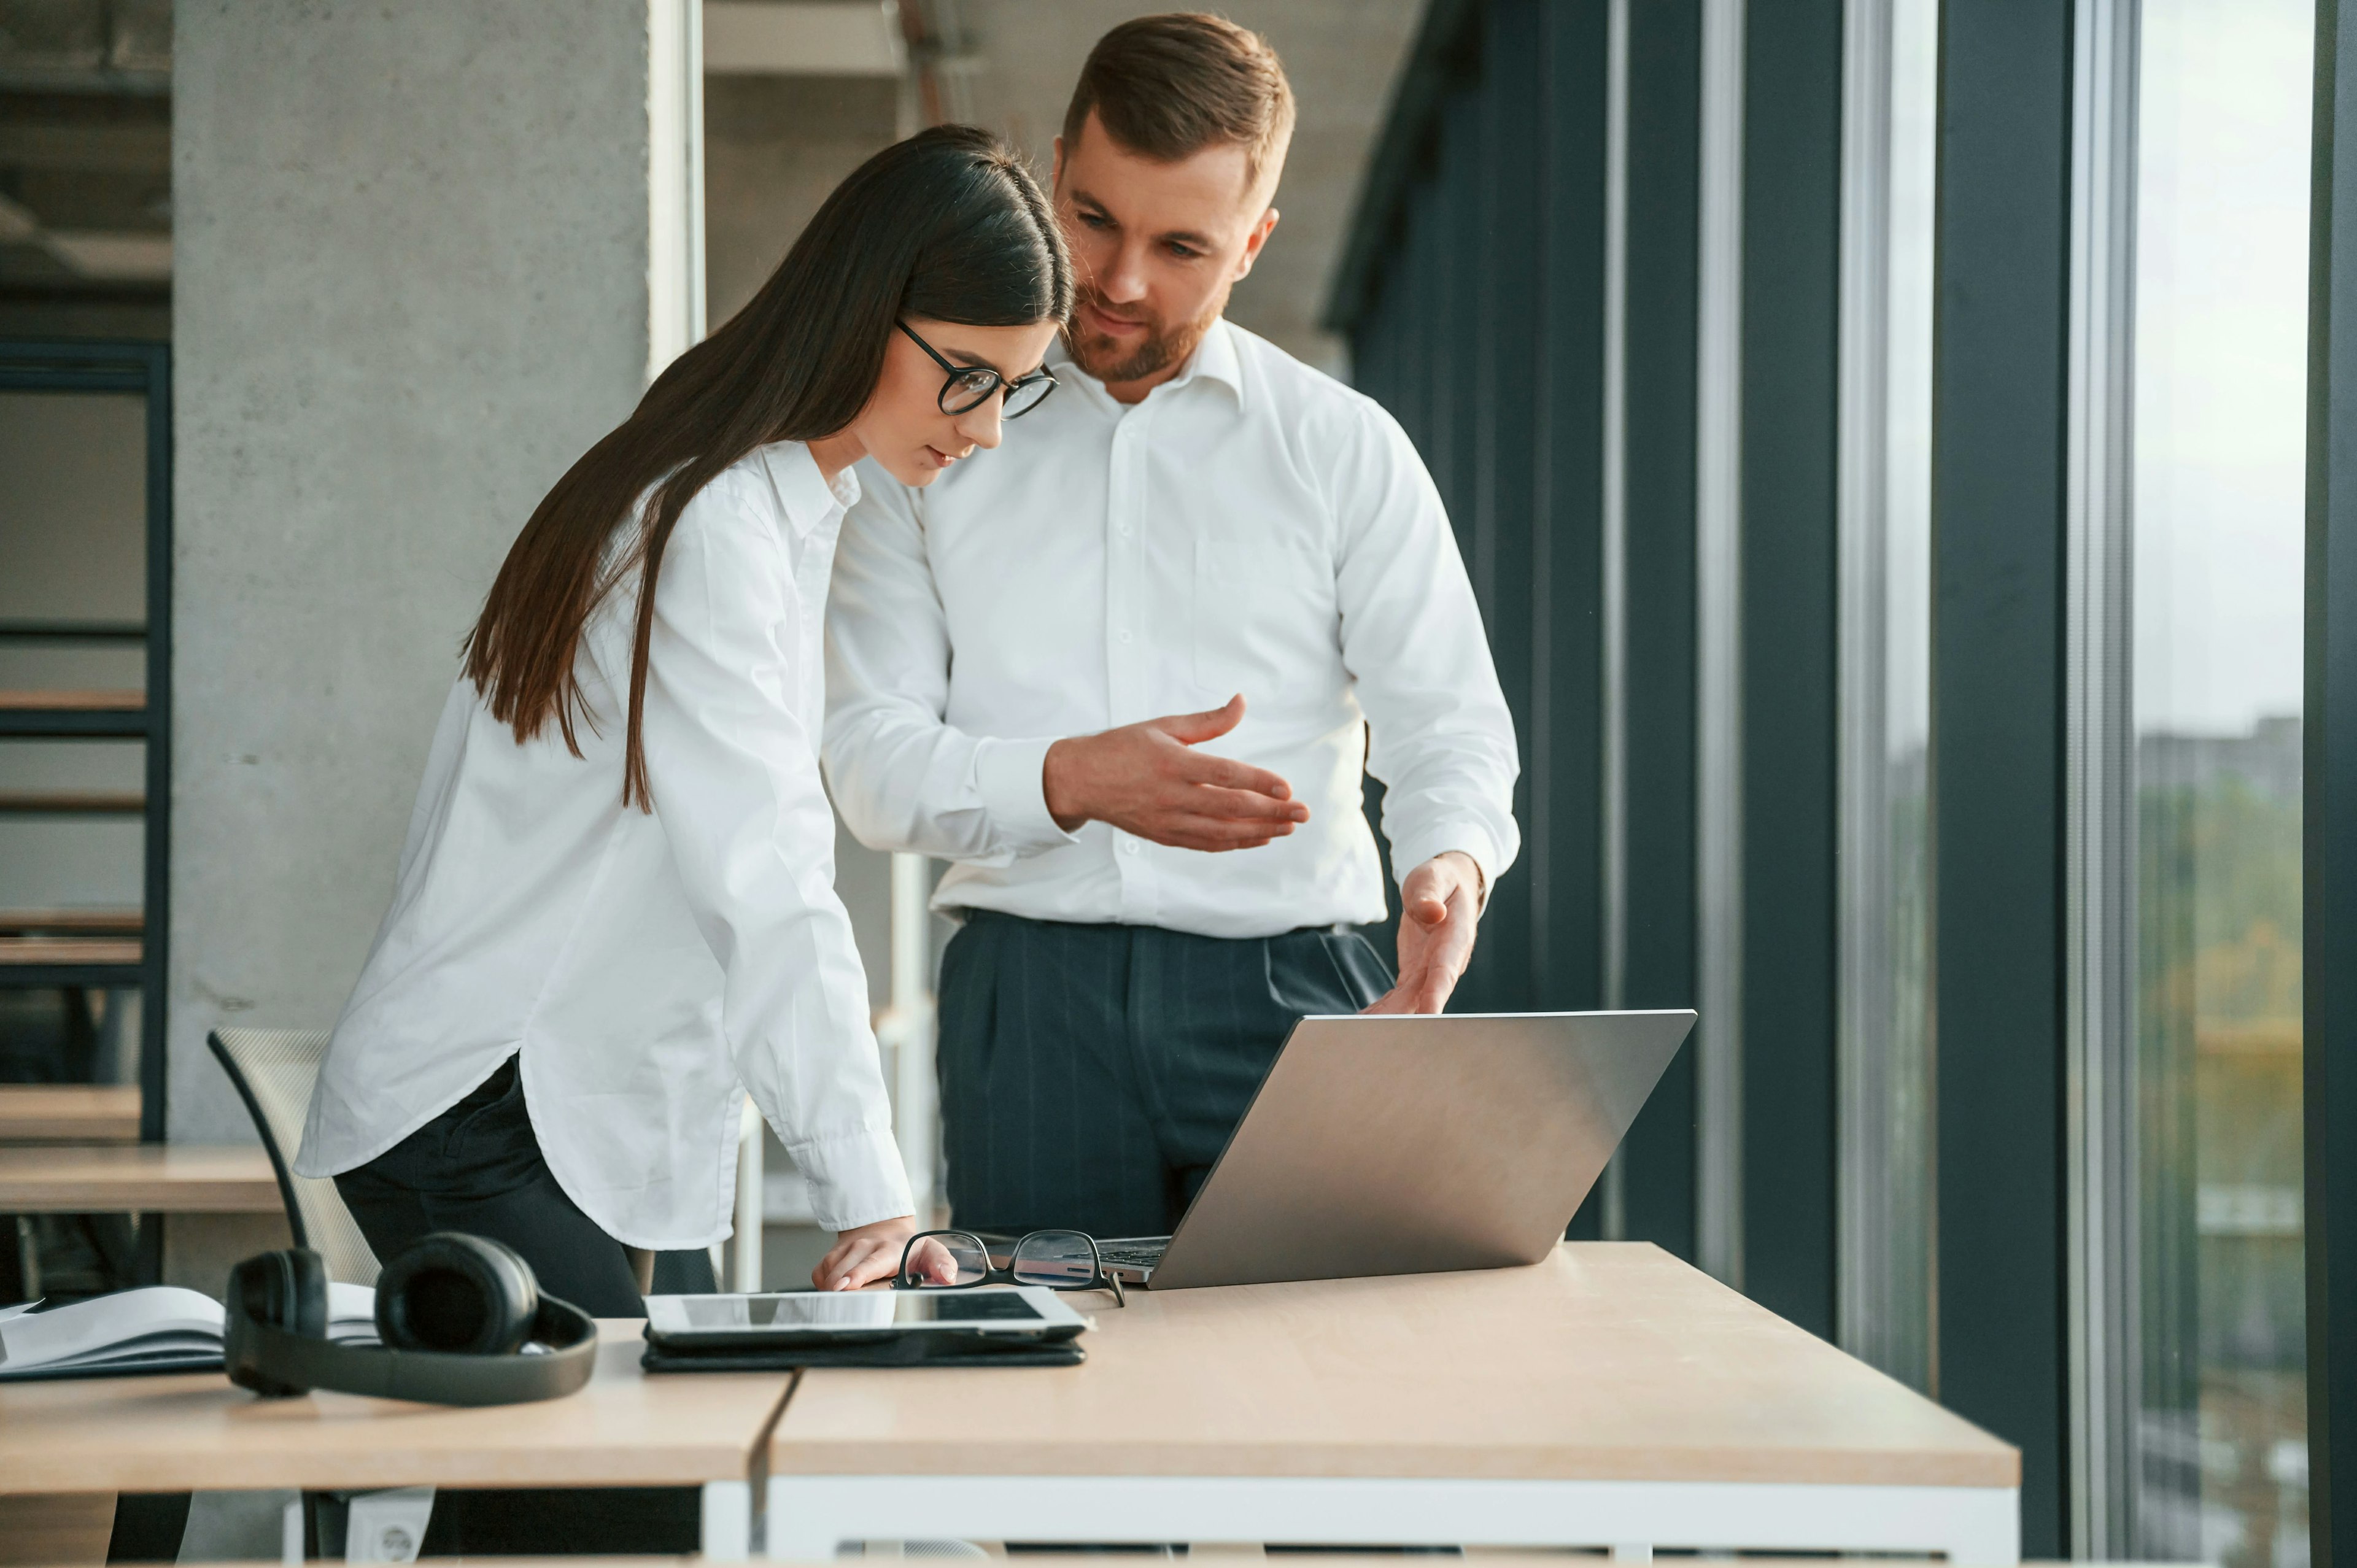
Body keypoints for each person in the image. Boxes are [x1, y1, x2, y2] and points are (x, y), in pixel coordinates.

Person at [295, 126, 1073, 1311]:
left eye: (1015, 388)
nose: (986, 428)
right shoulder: (712, 525)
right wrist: (870, 1189)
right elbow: (763, 873)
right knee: (628, 1484)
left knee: (620, 1483)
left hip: (554, 1104)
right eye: (966, 374)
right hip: (489, 1100)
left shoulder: (764, 505)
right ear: (869, 311)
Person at [823, 15, 1520, 1242]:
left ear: (1254, 242)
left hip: (1298, 993)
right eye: (1094, 219)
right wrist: (1070, 780)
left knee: (1311, 1390)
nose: (1122, 280)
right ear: (1052, 174)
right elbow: (870, 765)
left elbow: (1450, 724)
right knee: (1055, 1409)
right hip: (1031, 1000)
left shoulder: (1343, 448)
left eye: (1183, 244)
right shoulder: (924, 441)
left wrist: (1449, 863)